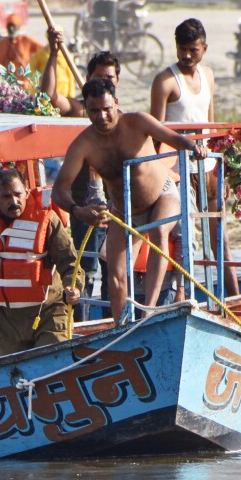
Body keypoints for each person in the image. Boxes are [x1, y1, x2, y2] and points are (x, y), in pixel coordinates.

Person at [54, 78, 208, 323]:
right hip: (124, 210)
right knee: (116, 274)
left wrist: (194, 147)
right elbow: (59, 190)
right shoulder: (83, 144)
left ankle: (148, 313)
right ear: (86, 110)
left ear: (116, 102)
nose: (102, 116)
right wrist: (78, 210)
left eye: (107, 109)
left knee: (159, 231)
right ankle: (121, 326)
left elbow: (174, 138)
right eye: (94, 111)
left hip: (162, 194)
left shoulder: (138, 121)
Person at [150, 17, 238, 298]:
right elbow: (156, 133)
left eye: (193, 50)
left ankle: (234, 299)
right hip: (178, 170)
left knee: (220, 240)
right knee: (185, 238)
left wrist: (222, 168)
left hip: (208, 167)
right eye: (182, 49)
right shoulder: (165, 81)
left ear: (204, 49)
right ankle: (182, 295)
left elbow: (211, 124)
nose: (187, 56)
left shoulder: (208, 75)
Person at [0, 168, 83, 355]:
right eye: (6, 197)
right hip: (8, 321)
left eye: (18, 194)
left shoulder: (48, 219)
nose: (14, 201)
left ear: (27, 192)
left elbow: (69, 262)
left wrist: (74, 287)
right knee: (15, 371)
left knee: (52, 365)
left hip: (48, 314)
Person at [43, 34, 122, 312]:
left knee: (116, 271)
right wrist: (54, 53)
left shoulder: (123, 119)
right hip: (83, 205)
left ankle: (115, 322)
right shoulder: (81, 110)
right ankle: (82, 324)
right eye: (99, 77)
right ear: (88, 78)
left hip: (118, 208)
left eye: (109, 78)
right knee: (83, 270)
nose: (104, 81)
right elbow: (49, 97)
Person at [0, 14, 42, 82]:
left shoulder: (26, 40)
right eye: (9, 26)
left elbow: (43, 51)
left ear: (19, 27)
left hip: (24, 81)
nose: (11, 29)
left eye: (13, 26)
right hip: (7, 82)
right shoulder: (3, 43)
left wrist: (35, 65)